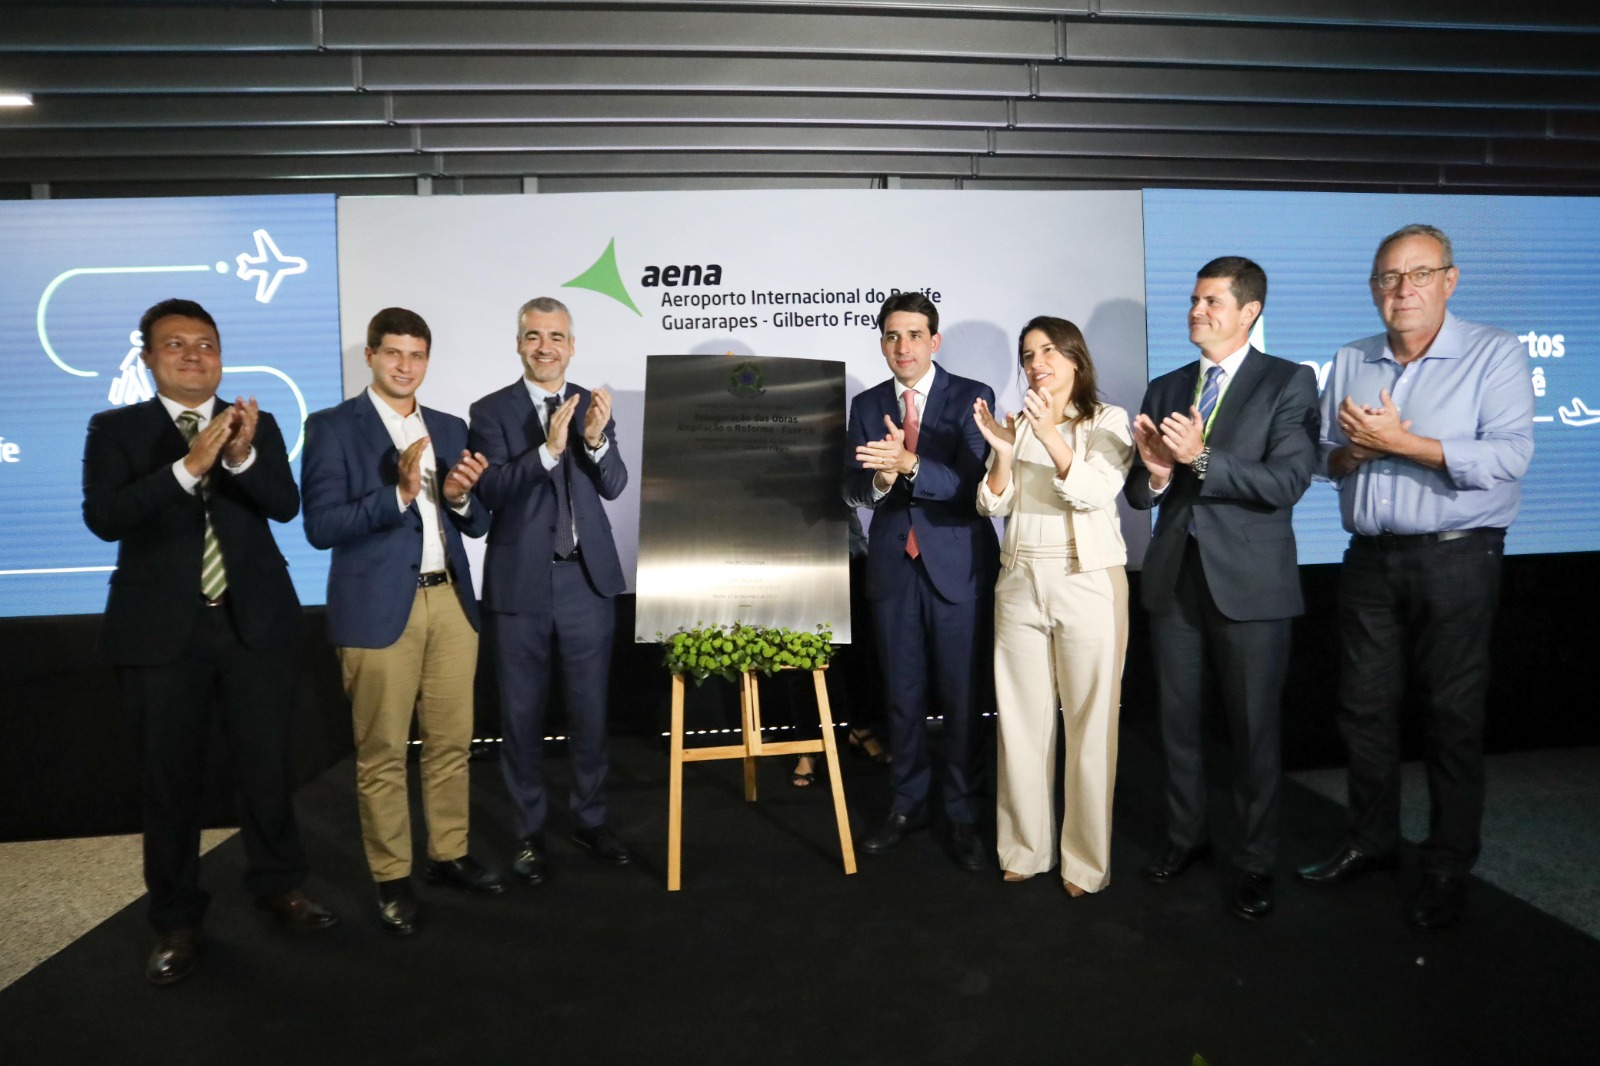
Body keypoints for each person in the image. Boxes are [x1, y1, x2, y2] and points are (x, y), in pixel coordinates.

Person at [82, 298, 337, 986]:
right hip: (159, 635)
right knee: (169, 783)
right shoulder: (115, 428)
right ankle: (175, 920)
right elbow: (105, 518)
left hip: (253, 625)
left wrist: (243, 454)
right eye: (176, 345)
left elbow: (283, 505)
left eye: (206, 345)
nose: (194, 355)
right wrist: (189, 466)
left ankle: (280, 887)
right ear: (148, 358)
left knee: (266, 769)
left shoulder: (258, 423)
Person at [1296, 224, 1534, 930]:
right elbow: (1321, 458)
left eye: (1419, 275)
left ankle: (1447, 864)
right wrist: (1354, 454)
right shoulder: (1352, 357)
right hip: (1369, 558)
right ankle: (1371, 842)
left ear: (1449, 280)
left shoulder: (1495, 353)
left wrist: (1400, 442)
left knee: (1451, 717)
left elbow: (1510, 457)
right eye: (1388, 278)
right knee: (1363, 711)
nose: (1402, 291)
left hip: (1458, 556)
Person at [1125, 257, 1319, 920]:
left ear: (1249, 311)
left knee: (1253, 730)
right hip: (1174, 578)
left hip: (1252, 586)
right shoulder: (1166, 386)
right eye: (1193, 300)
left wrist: (1199, 460)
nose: (1196, 311)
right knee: (1176, 725)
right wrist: (1154, 474)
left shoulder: (1288, 382)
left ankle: (1257, 861)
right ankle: (1187, 840)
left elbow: (1288, 482)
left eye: (1211, 301)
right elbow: (1139, 490)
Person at [302, 307, 505, 936]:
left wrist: (462, 496)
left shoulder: (448, 425)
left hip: (450, 602)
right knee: (383, 753)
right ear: (370, 355)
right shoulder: (333, 427)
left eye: (416, 355)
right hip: (375, 609)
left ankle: (448, 854)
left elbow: (477, 522)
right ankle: (392, 877)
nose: (405, 365)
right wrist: (397, 493)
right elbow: (320, 526)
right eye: (393, 353)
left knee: (450, 744)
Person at [468, 297, 633, 883]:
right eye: (534, 336)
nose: (545, 346)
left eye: (556, 336)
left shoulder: (593, 404)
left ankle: (589, 821)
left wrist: (593, 442)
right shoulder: (489, 411)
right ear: (518, 344)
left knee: (590, 714)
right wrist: (548, 451)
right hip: (520, 586)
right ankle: (527, 834)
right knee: (521, 716)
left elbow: (614, 484)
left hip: (587, 583)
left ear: (571, 344)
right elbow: (490, 492)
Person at [973, 317, 1133, 896]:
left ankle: (1085, 864)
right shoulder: (1017, 424)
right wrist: (1002, 452)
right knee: (1019, 722)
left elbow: (1093, 491)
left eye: (1047, 350)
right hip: (1019, 579)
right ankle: (1024, 848)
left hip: (1087, 579)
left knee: (1092, 725)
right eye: (1027, 354)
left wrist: (1049, 436)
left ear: (1074, 358)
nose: (1036, 363)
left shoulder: (1108, 422)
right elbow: (991, 503)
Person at [844, 292, 999, 871]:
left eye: (913, 335)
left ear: (934, 341)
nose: (901, 346)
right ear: (881, 343)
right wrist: (882, 483)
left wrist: (910, 466)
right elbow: (851, 489)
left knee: (963, 700)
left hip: (958, 565)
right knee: (902, 697)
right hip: (892, 568)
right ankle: (907, 804)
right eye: (891, 336)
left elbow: (977, 486)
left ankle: (962, 813)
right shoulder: (864, 405)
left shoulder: (970, 395)